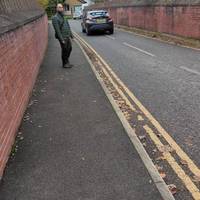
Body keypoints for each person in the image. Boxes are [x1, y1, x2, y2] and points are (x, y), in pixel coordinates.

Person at [52, 4, 73, 68]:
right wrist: (61, 39)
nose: (61, 8)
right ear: (57, 9)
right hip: (62, 37)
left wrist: (71, 35)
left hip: (67, 36)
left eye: (61, 7)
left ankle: (67, 61)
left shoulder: (64, 17)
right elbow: (57, 30)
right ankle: (65, 63)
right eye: (59, 7)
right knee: (64, 50)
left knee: (69, 48)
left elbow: (68, 26)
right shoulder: (55, 18)